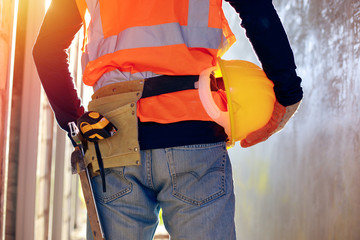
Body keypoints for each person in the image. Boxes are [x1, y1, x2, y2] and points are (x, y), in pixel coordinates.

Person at [33, 0, 303, 239]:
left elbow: (46, 49)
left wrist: (74, 122)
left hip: (112, 139)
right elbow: (256, 8)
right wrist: (287, 91)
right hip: (193, 129)